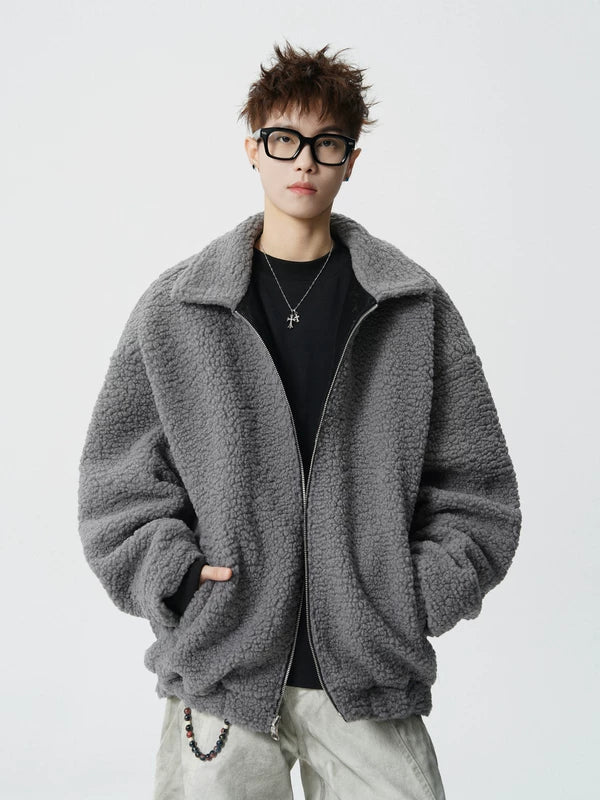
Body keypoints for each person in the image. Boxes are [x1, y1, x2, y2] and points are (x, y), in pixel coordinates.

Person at [78, 41, 522, 800]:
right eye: (284, 140)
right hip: (223, 669)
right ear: (253, 148)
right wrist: (177, 580)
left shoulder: (410, 308)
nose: (305, 161)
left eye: (327, 143)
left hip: (367, 670)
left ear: (352, 160)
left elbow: (478, 488)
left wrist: (408, 596)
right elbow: (116, 481)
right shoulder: (177, 309)